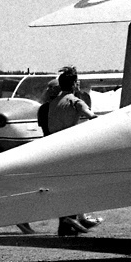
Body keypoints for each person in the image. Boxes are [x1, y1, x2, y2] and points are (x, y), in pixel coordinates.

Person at [47, 66, 103, 237]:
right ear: (73, 84)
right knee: (77, 184)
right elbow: (91, 116)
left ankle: (66, 224)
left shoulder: (53, 103)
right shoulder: (76, 101)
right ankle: (71, 219)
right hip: (70, 148)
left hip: (52, 148)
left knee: (62, 185)